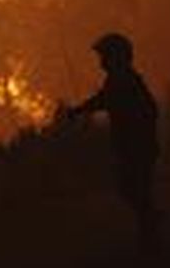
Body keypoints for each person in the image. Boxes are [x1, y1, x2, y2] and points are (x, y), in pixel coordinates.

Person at [59, 32, 161, 251]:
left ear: (117, 57)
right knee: (133, 189)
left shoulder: (123, 80)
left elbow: (105, 101)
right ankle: (150, 228)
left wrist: (78, 111)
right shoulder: (120, 79)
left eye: (104, 56)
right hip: (134, 145)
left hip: (136, 146)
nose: (101, 61)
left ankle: (151, 232)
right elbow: (103, 100)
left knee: (133, 188)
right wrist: (79, 110)